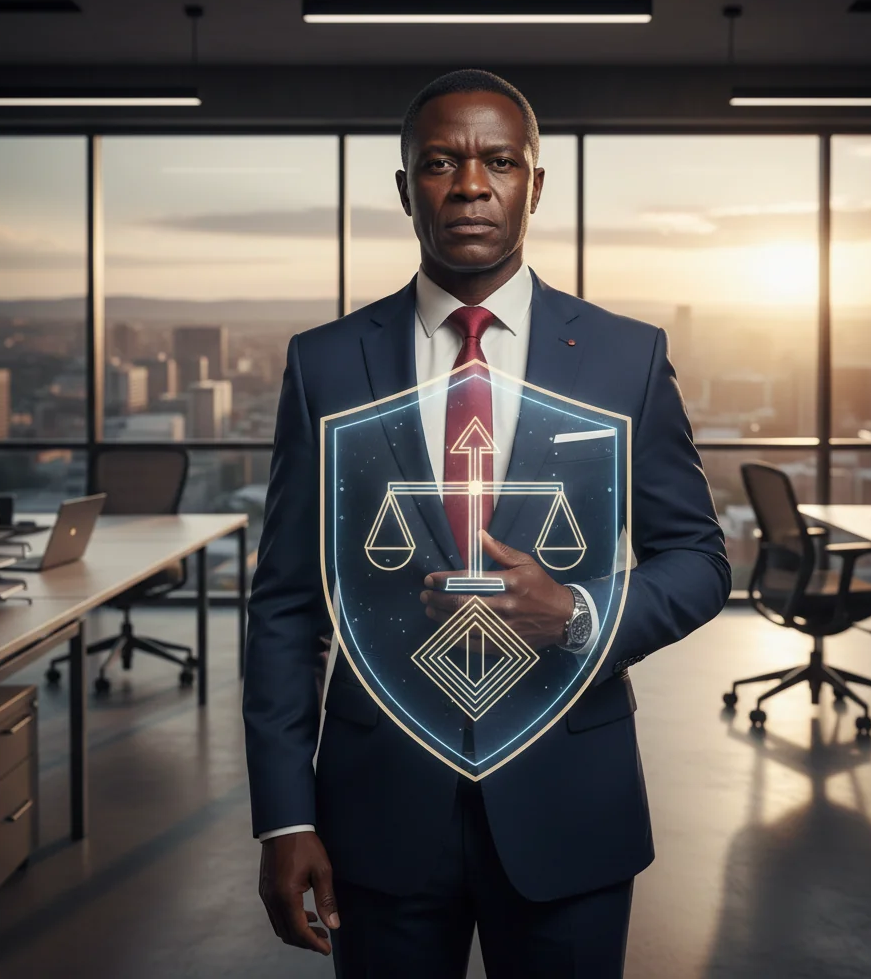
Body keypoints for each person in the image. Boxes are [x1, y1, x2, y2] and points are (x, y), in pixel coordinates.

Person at [244, 68, 731, 978]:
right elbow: (283, 605)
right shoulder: (325, 366)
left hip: (569, 806)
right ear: (406, 189)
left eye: (499, 161)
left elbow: (700, 561)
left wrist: (581, 616)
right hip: (376, 812)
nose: (471, 184)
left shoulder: (625, 358)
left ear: (534, 185)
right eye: (441, 162)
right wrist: (285, 814)